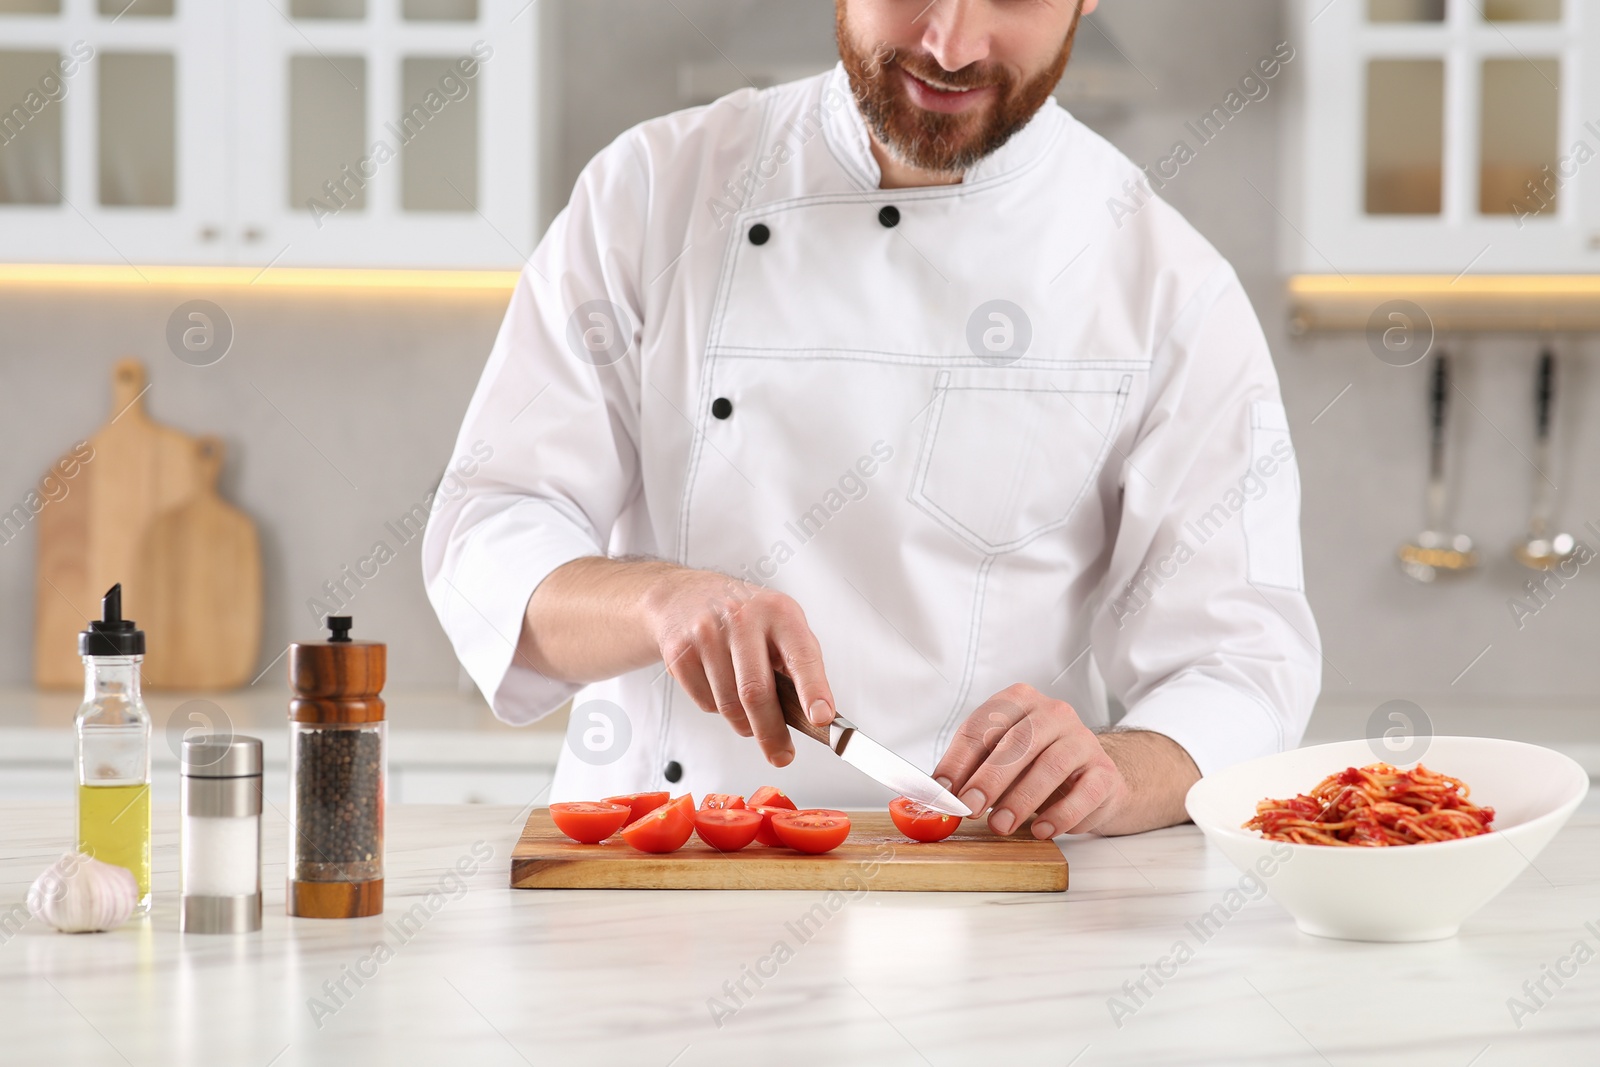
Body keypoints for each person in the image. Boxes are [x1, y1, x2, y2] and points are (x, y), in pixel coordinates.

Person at [422, 0, 1321, 839]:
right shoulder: (653, 193)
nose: (952, 44)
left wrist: (1118, 770)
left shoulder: (1165, 284)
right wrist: (659, 600)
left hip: (971, 905)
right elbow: (486, 536)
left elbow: (1241, 663)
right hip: (657, 874)